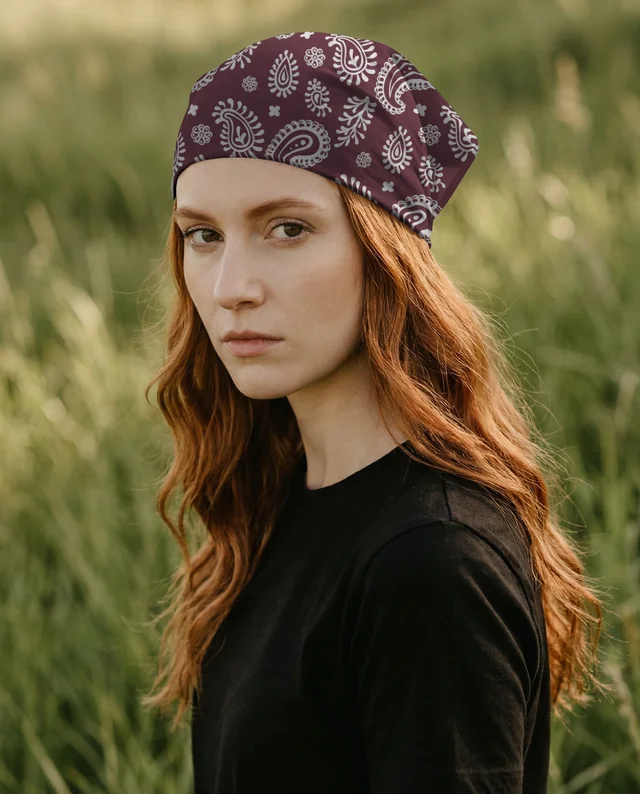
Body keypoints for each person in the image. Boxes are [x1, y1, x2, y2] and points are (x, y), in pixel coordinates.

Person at [142, 31, 606, 794]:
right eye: (203, 235)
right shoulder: (279, 495)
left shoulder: (431, 564)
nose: (230, 286)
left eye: (286, 228)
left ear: (383, 248)